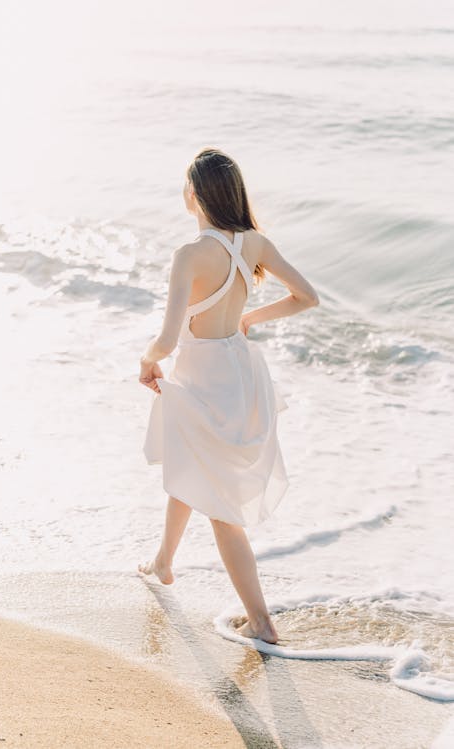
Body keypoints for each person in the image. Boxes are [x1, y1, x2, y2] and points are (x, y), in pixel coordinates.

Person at [138, 147, 319, 644]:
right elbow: (308, 297)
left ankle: (261, 622)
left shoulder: (190, 254)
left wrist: (146, 361)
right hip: (241, 372)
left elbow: (169, 339)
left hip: (202, 378)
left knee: (221, 509)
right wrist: (248, 320)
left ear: (193, 193)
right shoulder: (256, 244)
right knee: (188, 462)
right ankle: (163, 562)